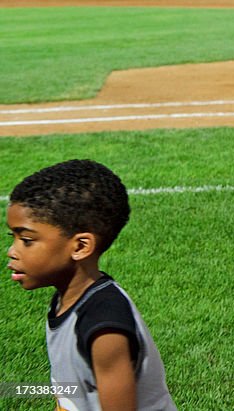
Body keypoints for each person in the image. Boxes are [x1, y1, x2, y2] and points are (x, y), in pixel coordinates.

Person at [5, 159, 176, 410]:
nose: (12, 251)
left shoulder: (104, 330)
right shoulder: (70, 298)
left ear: (80, 247)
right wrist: (12, 389)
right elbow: (73, 387)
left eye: (27, 240)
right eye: (15, 238)